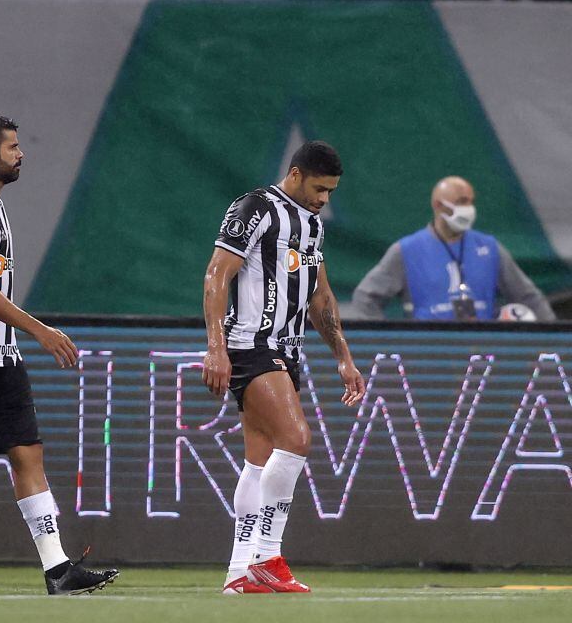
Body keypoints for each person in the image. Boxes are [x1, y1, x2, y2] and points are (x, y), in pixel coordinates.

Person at [0, 113, 119, 595]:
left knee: (27, 453)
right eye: (12, 147)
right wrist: (41, 331)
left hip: (0, 360)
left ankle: (57, 568)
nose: (21, 153)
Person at [203, 141, 365, 594]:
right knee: (296, 439)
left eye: (331, 192)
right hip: (251, 344)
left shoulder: (312, 226)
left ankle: (239, 571)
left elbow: (321, 298)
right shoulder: (255, 208)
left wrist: (343, 358)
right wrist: (215, 347)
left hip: (287, 351)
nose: (324, 199)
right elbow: (217, 274)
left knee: (258, 459)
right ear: (295, 175)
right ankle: (267, 556)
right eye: (319, 188)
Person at [350, 176, 555, 321]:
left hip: (484, 354)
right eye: (462, 202)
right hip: (426, 355)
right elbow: (365, 297)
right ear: (438, 205)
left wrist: (551, 342)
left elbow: (529, 297)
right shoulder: (407, 251)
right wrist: (381, 344)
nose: (469, 209)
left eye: (471, 202)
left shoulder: (489, 248)